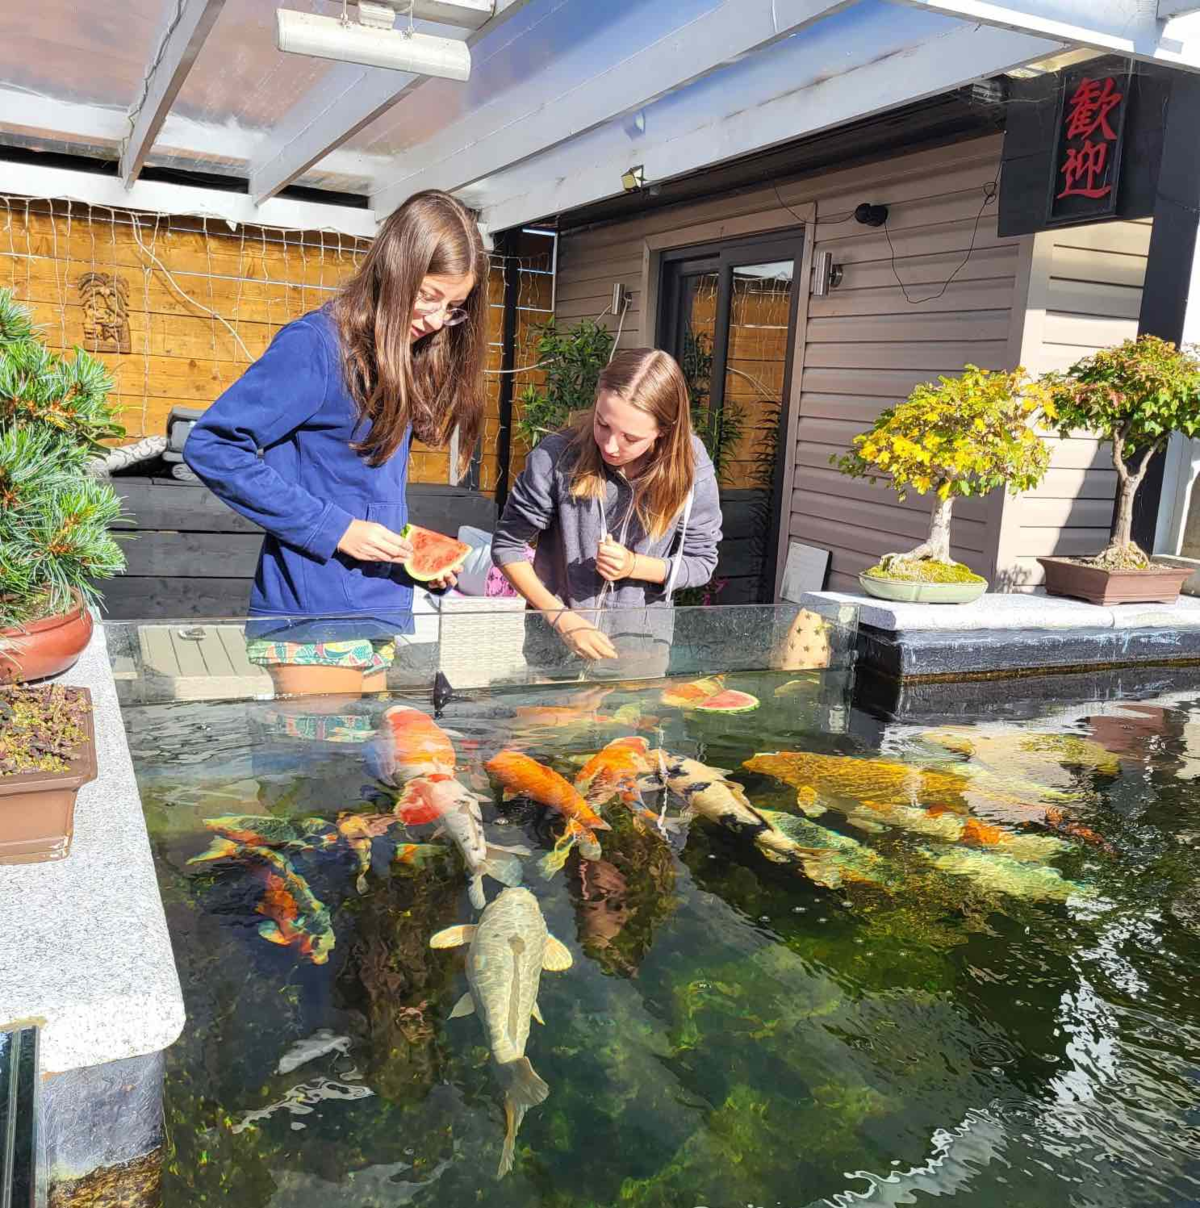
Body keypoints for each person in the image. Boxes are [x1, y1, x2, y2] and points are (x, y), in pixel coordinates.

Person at [184, 190, 487, 699]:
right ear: (394, 270)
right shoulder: (316, 346)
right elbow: (213, 445)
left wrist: (406, 555)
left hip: (372, 605)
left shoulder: (396, 356)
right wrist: (335, 529)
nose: (437, 320)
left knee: (372, 752)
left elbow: (354, 487)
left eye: (452, 308)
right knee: (330, 754)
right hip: (314, 615)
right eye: (428, 296)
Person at [491, 347, 722, 678]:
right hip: (555, 653)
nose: (611, 446)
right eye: (603, 424)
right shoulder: (556, 456)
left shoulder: (691, 466)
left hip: (640, 654)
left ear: (664, 430)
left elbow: (702, 562)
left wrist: (634, 565)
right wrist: (562, 619)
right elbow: (507, 546)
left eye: (631, 437)